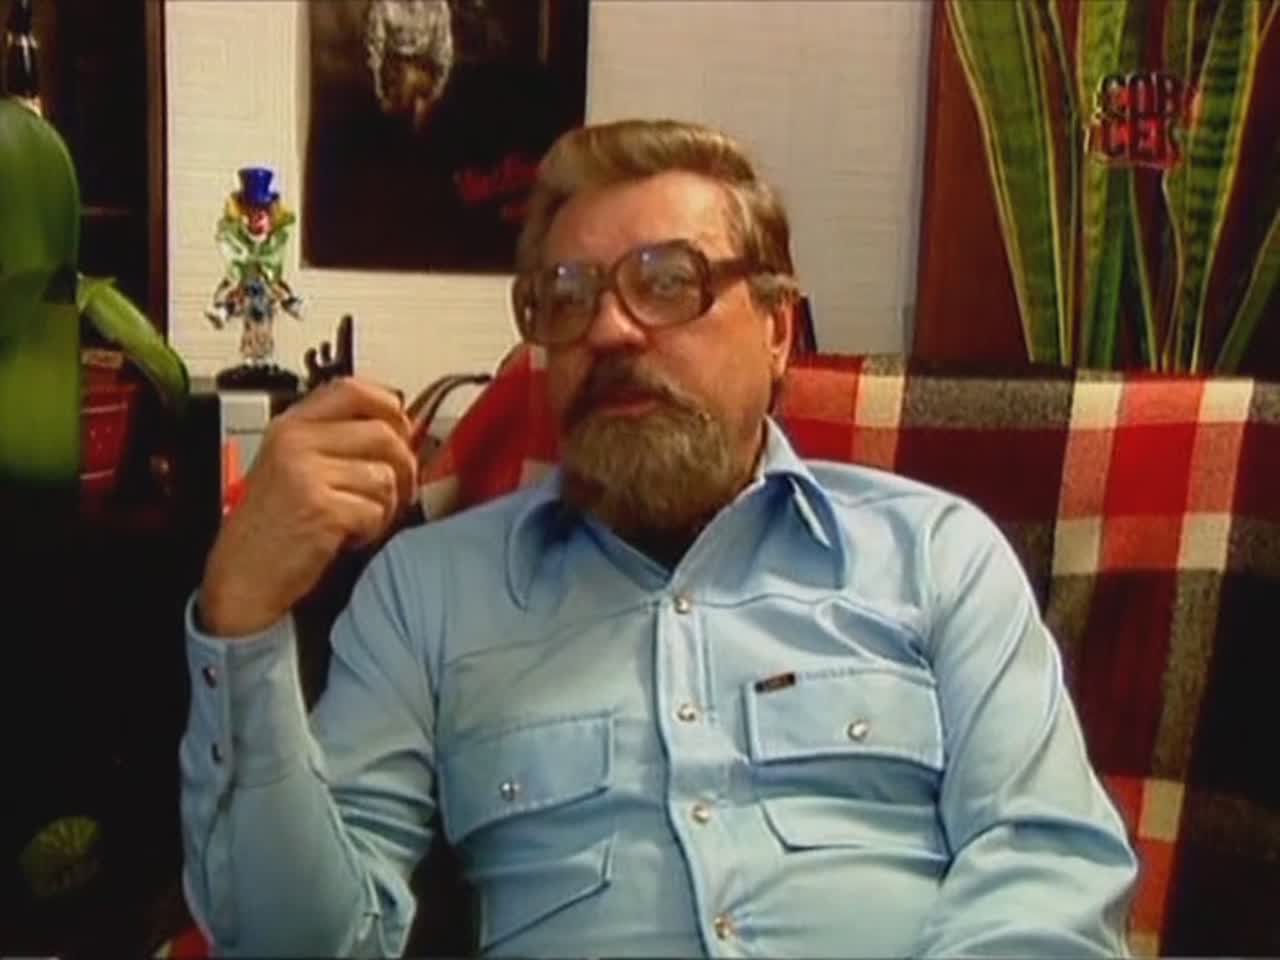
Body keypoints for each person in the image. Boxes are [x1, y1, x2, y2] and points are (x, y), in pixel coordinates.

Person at [180, 118, 1138, 957]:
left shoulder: (935, 556)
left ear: (777, 329)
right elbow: (302, 944)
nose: (609, 331)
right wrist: (243, 616)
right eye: (565, 296)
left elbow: (1046, 874)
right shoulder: (426, 593)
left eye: (668, 282)